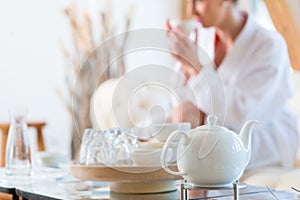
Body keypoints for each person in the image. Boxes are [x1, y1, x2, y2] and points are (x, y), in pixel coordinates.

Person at [167, 0, 299, 170]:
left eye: (198, 1)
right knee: (181, 116)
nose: (191, 10)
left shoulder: (269, 45)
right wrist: (184, 64)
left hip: (260, 141)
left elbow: (241, 114)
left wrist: (196, 68)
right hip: (209, 139)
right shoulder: (200, 36)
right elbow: (177, 99)